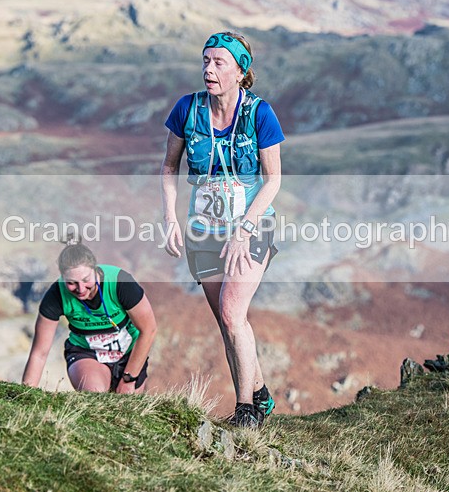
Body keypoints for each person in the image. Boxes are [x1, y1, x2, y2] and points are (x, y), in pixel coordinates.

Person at [160, 31, 285, 427]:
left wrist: (244, 230)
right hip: (203, 228)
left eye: (219, 63)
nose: (208, 70)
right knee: (228, 322)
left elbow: (273, 179)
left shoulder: (259, 114)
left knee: (233, 313)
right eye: (205, 61)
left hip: (251, 225)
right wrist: (169, 218)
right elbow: (169, 167)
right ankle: (262, 396)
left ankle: (246, 410)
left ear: (240, 71)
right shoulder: (187, 109)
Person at [22, 240, 157, 393]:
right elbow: (39, 353)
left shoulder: (120, 282)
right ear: (62, 277)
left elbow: (149, 330)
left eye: (86, 280)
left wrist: (129, 379)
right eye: (72, 283)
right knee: (95, 394)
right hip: (87, 354)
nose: (80, 289)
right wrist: (25, 395)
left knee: (127, 406)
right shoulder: (56, 295)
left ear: (95, 269)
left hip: (128, 354)